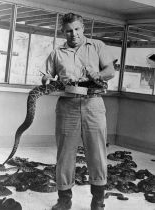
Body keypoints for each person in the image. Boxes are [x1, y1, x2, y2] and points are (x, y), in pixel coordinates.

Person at [42, 12, 115, 210]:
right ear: (63, 32)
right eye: (68, 31)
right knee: (65, 153)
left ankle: (98, 200)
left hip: (93, 104)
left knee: (97, 153)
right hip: (67, 106)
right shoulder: (56, 53)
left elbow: (110, 71)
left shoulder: (97, 46)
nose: (73, 34)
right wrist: (47, 79)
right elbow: (47, 76)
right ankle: (64, 199)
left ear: (83, 29)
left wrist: (97, 74)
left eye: (76, 29)